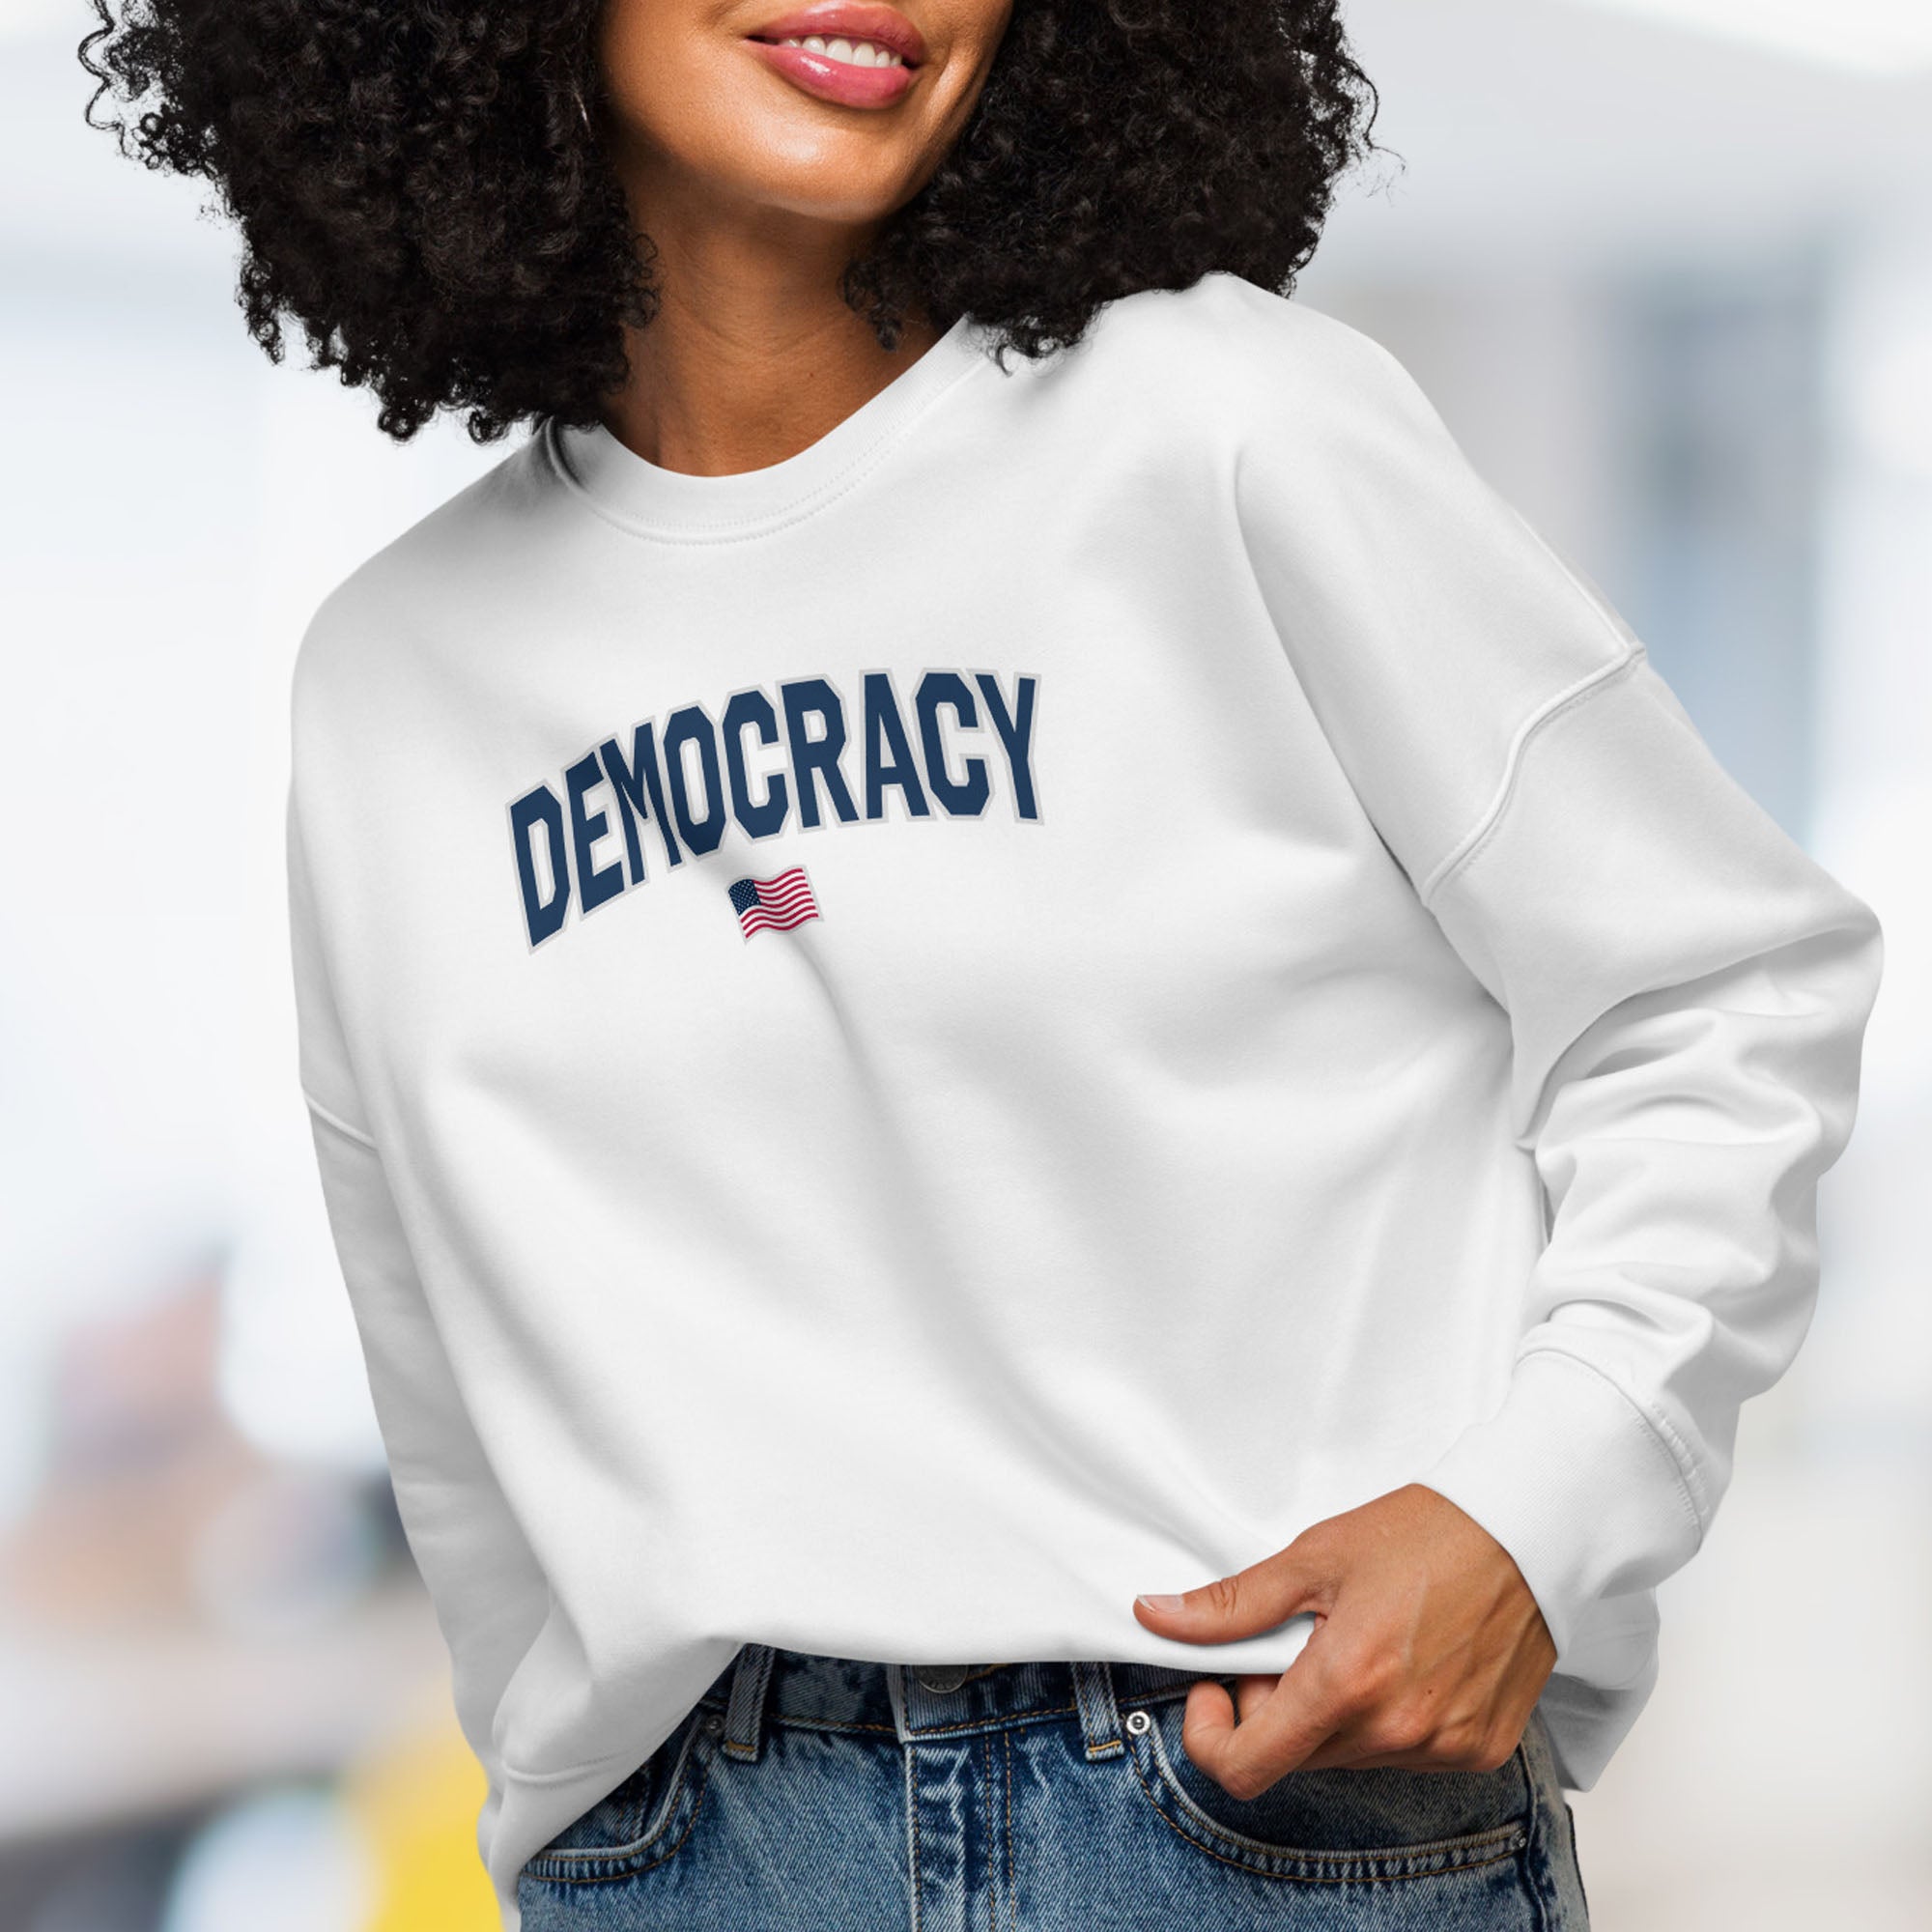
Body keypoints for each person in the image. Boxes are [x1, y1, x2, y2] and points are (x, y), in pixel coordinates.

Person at [83, 2, 1883, 1928]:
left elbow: (1721, 989)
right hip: (698, 1857)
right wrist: (572, 1814)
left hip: (1247, 1806)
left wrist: (1529, 1519)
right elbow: (453, 1391)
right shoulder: (395, 678)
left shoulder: (1225, 424)